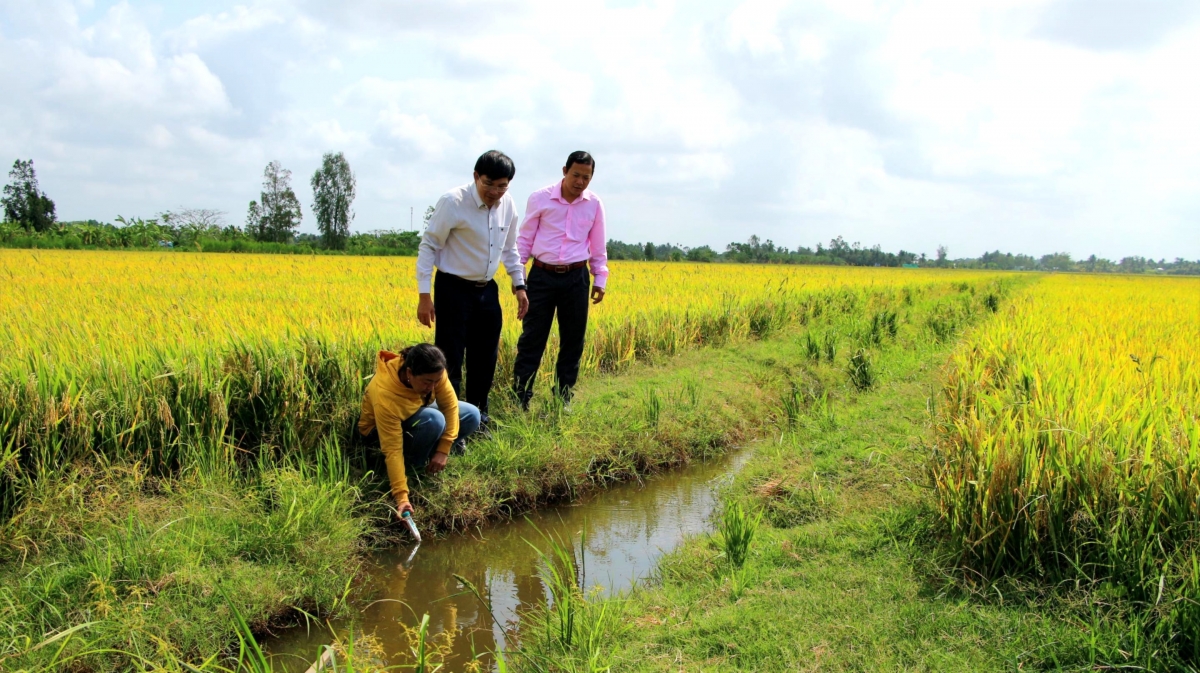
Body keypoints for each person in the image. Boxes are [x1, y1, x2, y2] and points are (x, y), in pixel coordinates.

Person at [416, 150, 529, 423]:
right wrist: (424, 295)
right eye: (489, 183)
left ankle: (479, 418)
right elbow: (429, 245)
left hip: (487, 290)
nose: (495, 191)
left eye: (502, 186)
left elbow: (510, 248)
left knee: (485, 357)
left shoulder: (508, 205)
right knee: (451, 358)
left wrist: (519, 284)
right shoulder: (453, 202)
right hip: (453, 289)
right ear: (476, 176)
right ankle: (452, 424)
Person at [512, 151, 609, 409]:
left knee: (573, 340)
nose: (580, 182)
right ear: (564, 170)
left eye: (586, 178)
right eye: (576, 175)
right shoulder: (540, 198)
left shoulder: (594, 204)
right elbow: (524, 240)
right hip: (541, 276)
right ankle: (521, 398)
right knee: (532, 338)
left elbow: (598, 245)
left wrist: (600, 277)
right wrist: (518, 276)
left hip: (576, 278)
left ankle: (563, 397)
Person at [357, 343, 481, 515]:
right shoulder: (385, 394)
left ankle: (432, 454)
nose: (432, 387)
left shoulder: (433, 370)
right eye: (427, 382)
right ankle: (414, 469)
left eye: (437, 381)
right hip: (377, 433)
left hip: (415, 411)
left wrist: (443, 450)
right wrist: (401, 497)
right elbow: (392, 449)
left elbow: (450, 406)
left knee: (472, 414)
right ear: (409, 373)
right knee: (434, 420)